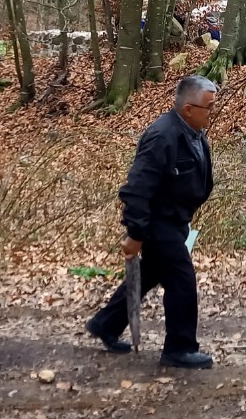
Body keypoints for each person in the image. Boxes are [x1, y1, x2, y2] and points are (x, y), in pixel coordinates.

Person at [86, 76, 219, 369]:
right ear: (188, 109)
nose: (213, 112)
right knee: (182, 280)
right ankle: (179, 348)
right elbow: (137, 188)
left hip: (176, 221)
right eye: (209, 107)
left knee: (150, 273)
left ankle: (105, 323)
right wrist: (135, 232)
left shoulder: (194, 132)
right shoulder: (163, 136)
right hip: (158, 223)